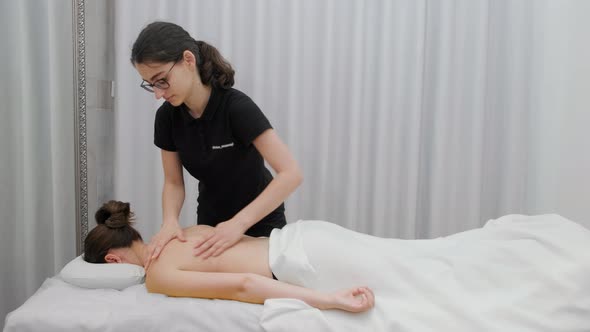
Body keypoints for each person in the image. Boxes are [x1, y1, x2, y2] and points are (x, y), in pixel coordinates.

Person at [130, 21, 303, 268]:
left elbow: (291, 174)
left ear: (188, 60)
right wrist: (169, 222)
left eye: (161, 80)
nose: (158, 94)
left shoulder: (235, 107)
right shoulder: (167, 117)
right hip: (211, 223)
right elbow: (173, 182)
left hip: (260, 219)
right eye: (150, 85)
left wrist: (239, 224)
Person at [84, 200, 375, 313]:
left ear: (112, 261)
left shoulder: (157, 275)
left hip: (304, 262)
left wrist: (329, 300)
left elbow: (244, 285)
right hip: (307, 235)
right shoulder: (185, 231)